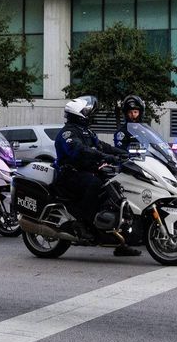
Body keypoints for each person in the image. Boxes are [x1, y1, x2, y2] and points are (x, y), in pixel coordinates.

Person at [54, 96, 139, 257]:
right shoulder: (68, 133)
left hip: (87, 171)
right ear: (78, 114)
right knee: (94, 185)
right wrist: (105, 157)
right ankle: (82, 223)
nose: (90, 115)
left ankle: (120, 240)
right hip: (71, 174)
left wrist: (124, 154)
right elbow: (80, 150)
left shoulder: (86, 131)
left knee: (117, 188)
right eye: (87, 112)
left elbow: (102, 146)